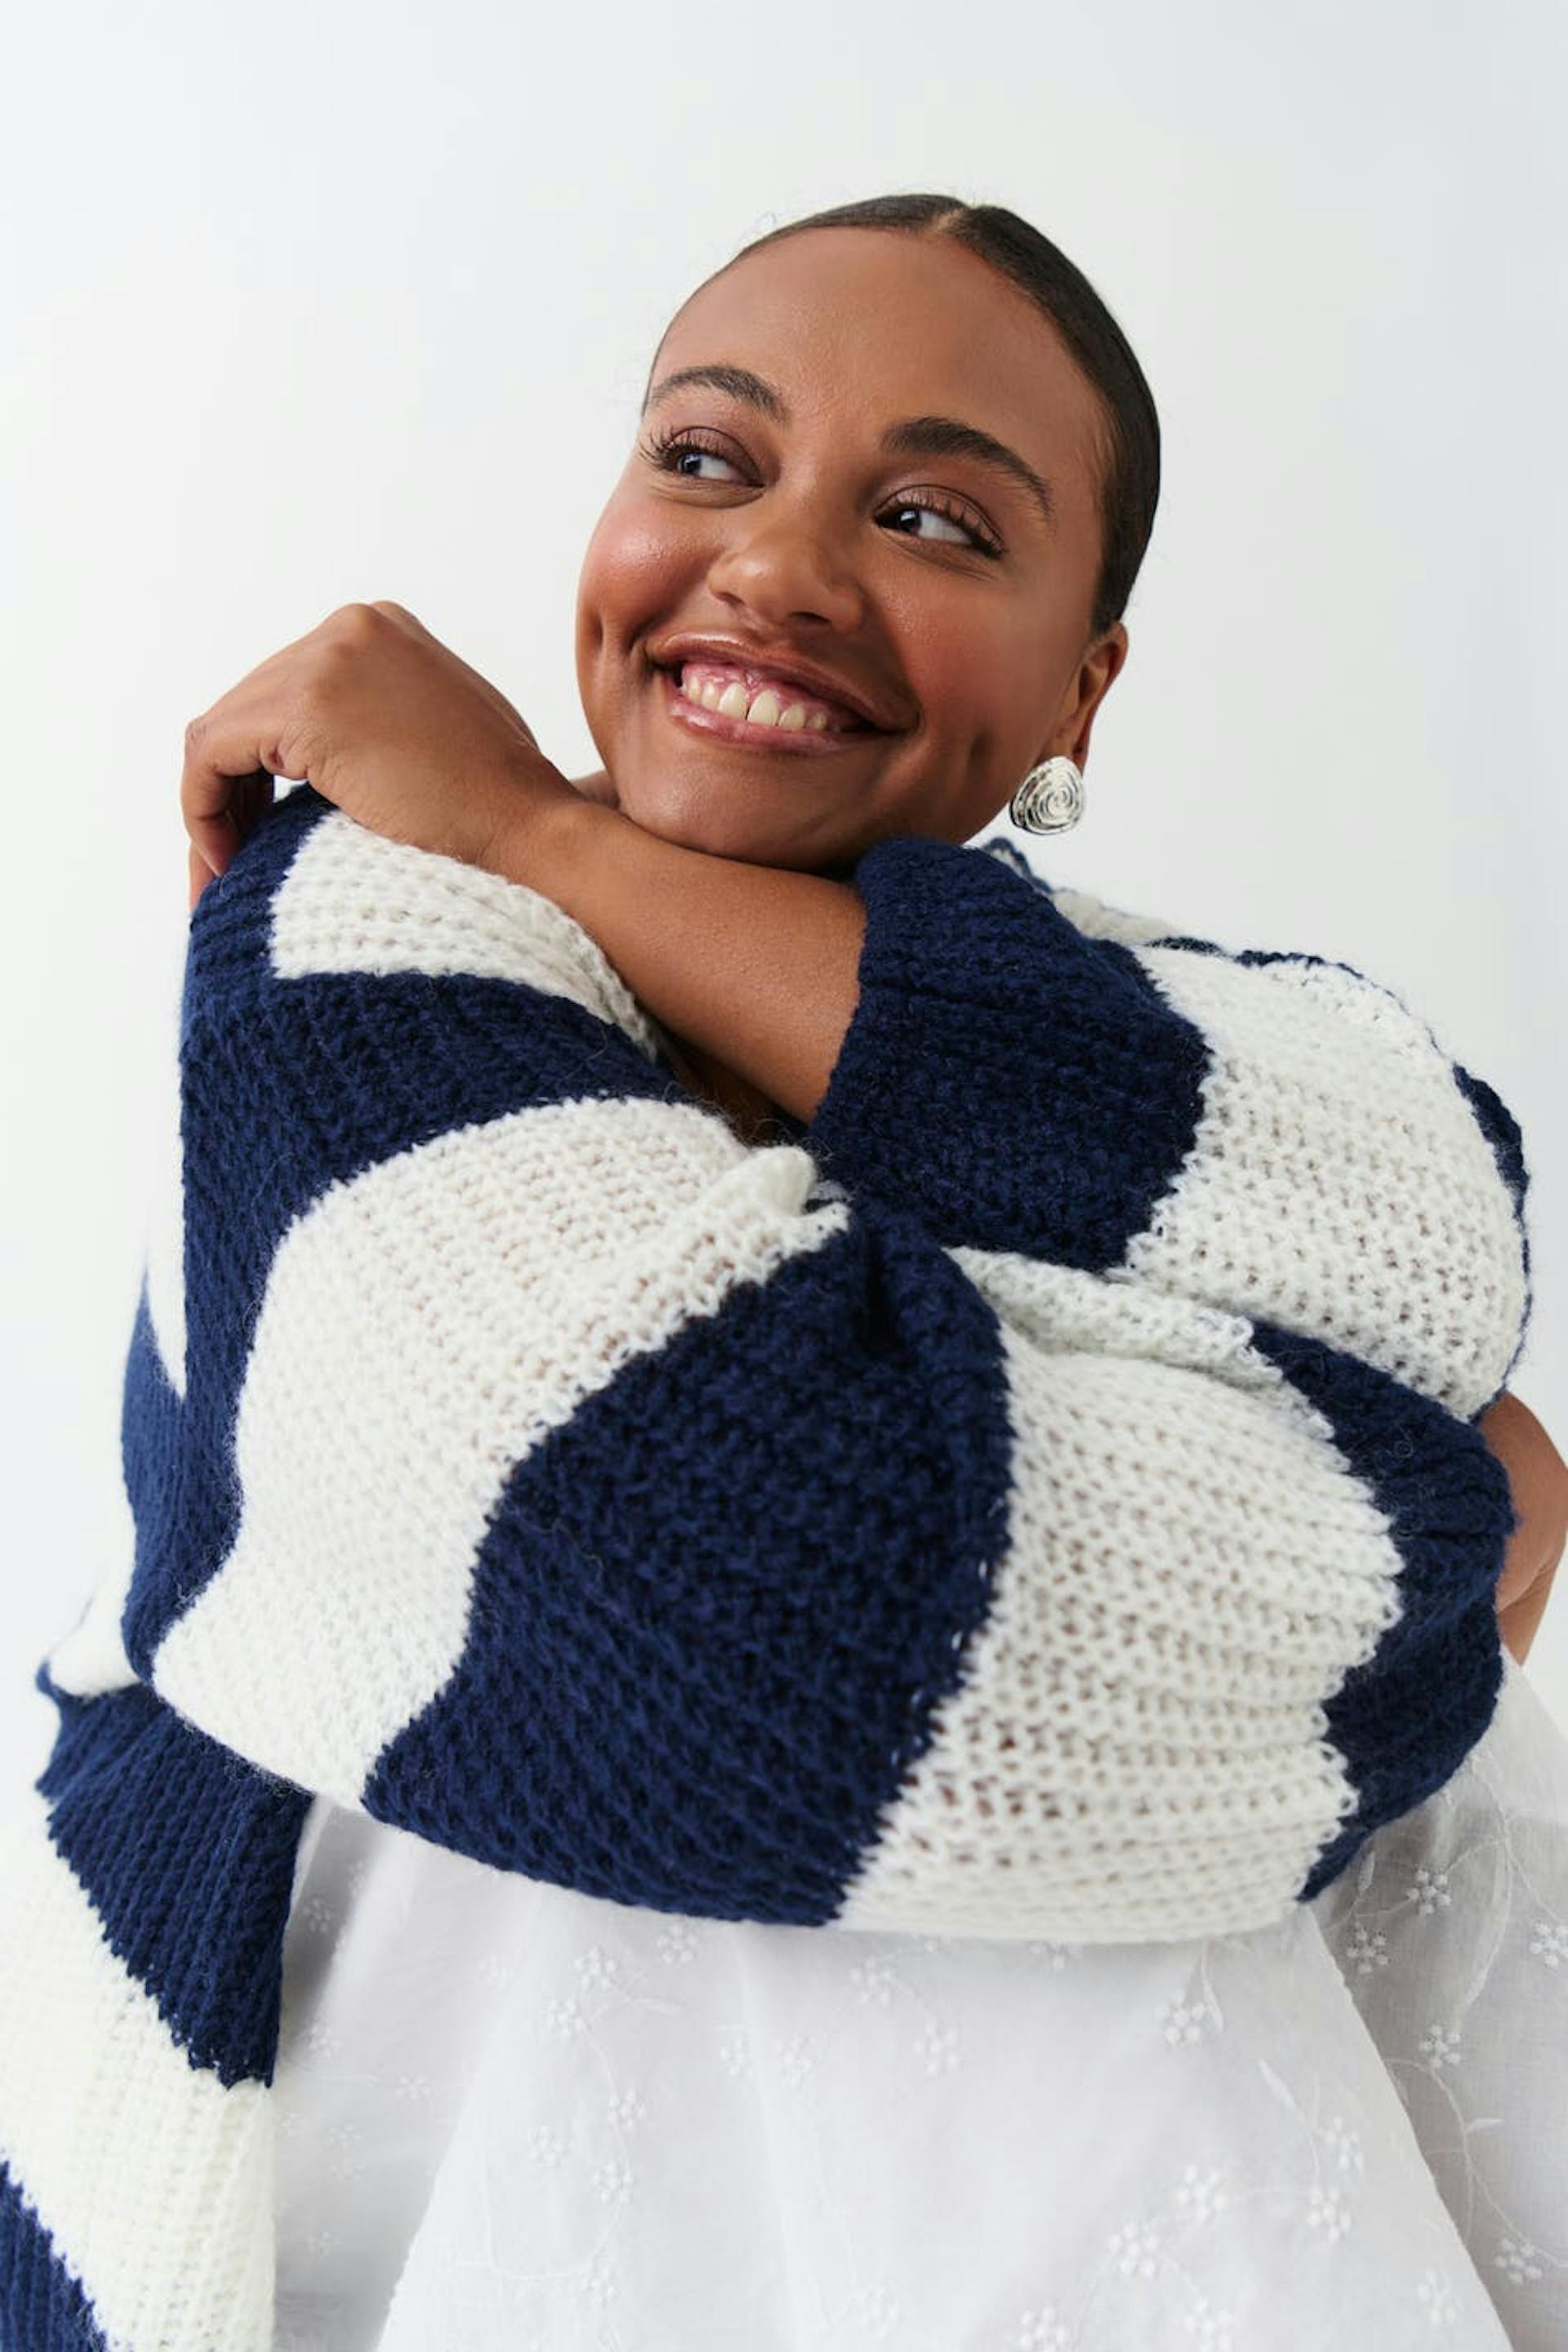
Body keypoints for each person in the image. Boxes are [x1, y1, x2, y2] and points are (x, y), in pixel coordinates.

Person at [6, 195, 1563, 2351]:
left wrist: (549, 831)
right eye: (707, 457)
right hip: (443, 2165)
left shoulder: (1155, 1017)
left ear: (1082, 682)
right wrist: (1458, 1529)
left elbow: (1430, 1219)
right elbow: (784, 1623)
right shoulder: (352, 934)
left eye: (932, 518)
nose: (779, 566)